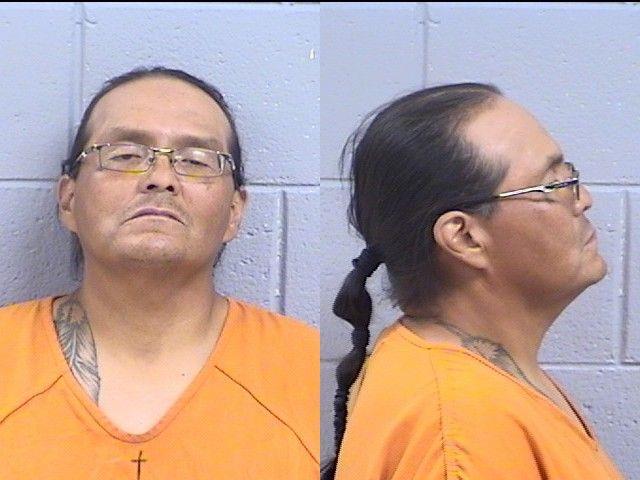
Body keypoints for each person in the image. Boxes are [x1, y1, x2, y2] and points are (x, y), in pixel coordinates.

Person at [0, 67, 319, 479]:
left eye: (196, 161)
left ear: (234, 212)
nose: (161, 178)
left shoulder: (307, 371)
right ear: (69, 199)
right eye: (125, 155)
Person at [323, 83, 623, 479]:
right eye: (553, 184)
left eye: (568, 174)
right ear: (465, 238)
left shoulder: (465, 380)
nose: (583, 199)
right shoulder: (462, 431)